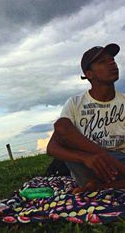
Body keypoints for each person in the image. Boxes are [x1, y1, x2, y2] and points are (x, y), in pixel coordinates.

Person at [47, 43, 125, 193]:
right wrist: (86, 158)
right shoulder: (75, 103)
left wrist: (112, 161)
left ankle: (100, 187)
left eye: (112, 60)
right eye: (102, 62)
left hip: (119, 161)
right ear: (89, 74)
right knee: (62, 125)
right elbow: (52, 147)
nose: (112, 63)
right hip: (89, 164)